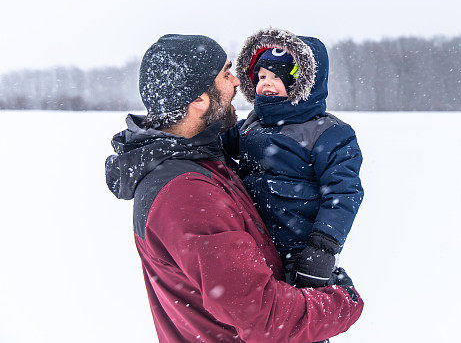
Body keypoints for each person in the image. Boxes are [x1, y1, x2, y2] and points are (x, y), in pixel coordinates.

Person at [105, 34, 363, 343]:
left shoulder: (202, 160)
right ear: (200, 100)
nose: (239, 82)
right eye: (226, 73)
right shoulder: (186, 193)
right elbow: (266, 319)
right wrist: (342, 302)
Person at [223, 28, 364, 292]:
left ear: (303, 84)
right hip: (252, 244)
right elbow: (222, 146)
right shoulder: (252, 125)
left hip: (298, 251)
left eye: (277, 77)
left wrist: (322, 249)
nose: (266, 82)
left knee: (301, 321)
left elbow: (343, 193)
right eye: (261, 75)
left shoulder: (328, 133)